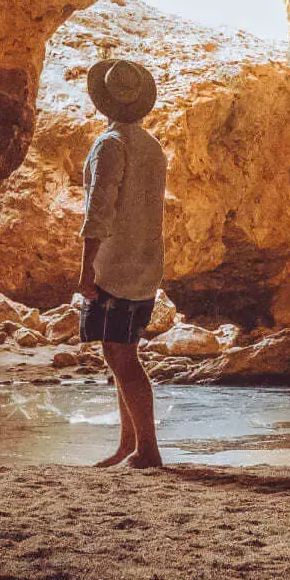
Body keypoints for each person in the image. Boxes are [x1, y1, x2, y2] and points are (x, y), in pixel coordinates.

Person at [78, 57, 168, 469]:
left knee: (120, 357)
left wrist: (86, 268)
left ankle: (147, 449)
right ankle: (129, 446)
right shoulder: (151, 147)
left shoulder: (109, 145)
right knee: (122, 352)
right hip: (145, 265)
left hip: (114, 268)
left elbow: (100, 210)